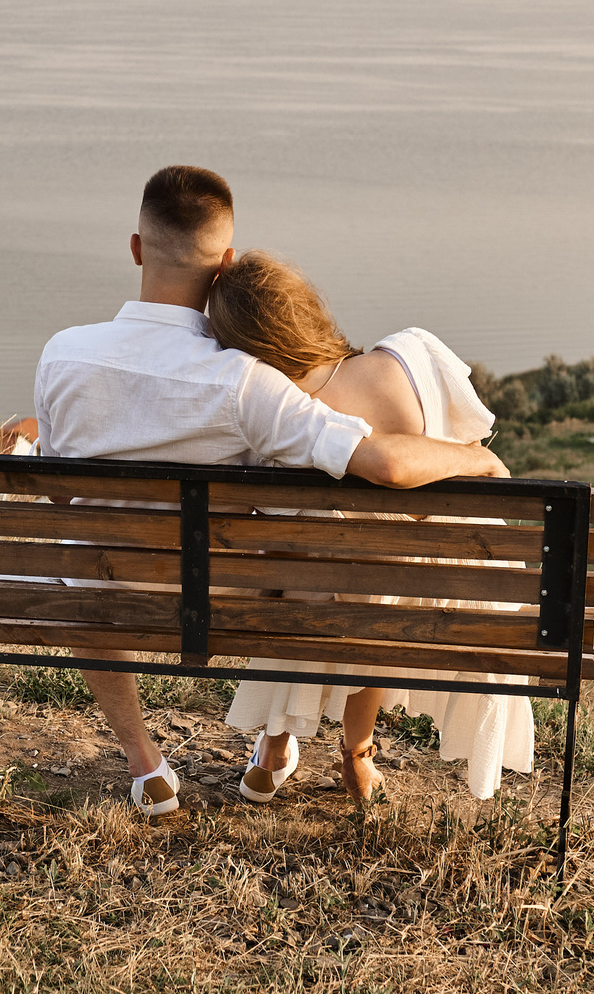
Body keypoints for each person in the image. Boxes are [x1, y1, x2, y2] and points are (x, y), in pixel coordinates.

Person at [34, 166, 507, 819]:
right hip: (221, 605)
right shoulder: (247, 382)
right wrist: (471, 457)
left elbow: (60, 496)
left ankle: (146, 765)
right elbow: (383, 463)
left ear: (137, 248)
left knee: (80, 570)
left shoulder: (63, 356)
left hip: (104, 596)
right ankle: (283, 737)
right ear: (225, 261)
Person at [207, 250, 535, 806]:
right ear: (308, 309)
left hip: (311, 606)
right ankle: (357, 757)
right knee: (385, 585)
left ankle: (272, 749)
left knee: (310, 580)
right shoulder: (407, 356)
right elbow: (464, 441)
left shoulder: (274, 423)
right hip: (401, 601)